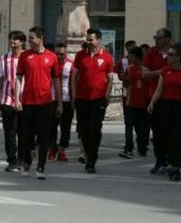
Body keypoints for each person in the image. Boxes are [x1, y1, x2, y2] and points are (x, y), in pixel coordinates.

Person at [15, 26, 62, 180]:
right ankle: (26, 163)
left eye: (31, 38)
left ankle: (41, 167)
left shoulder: (52, 57)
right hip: (28, 102)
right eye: (28, 38)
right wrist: (17, 98)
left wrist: (59, 102)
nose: (29, 41)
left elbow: (56, 81)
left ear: (40, 39)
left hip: (46, 103)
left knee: (43, 138)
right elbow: (19, 77)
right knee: (27, 137)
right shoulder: (24, 56)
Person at [147, 43, 181, 181]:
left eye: (171, 55)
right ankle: (167, 161)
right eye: (167, 54)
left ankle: (176, 167)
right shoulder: (165, 70)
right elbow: (159, 89)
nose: (167, 57)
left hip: (180, 106)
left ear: (178, 57)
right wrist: (152, 103)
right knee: (165, 136)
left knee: (177, 136)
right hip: (165, 105)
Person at [71, 29, 114, 173]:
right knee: (83, 129)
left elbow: (110, 79)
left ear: (98, 40)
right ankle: (89, 153)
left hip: (98, 99)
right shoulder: (80, 56)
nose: (88, 42)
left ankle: (91, 159)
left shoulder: (107, 58)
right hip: (82, 99)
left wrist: (106, 96)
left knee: (95, 128)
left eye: (91, 39)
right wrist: (75, 95)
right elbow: (74, 77)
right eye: (87, 39)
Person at [143, 28, 173, 174]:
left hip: (172, 98)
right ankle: (159, 160)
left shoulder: (175, 53)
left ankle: (170, 160)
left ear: (168, 39)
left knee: (170, 131)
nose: (156, 40)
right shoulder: (151, 53)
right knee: (157, 131)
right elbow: (144, 73)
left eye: (159, 38)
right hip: (154, 97)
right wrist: (161, 72)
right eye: (155, 37)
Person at [0, 30, 26, 172]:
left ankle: (22, 159)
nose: (12, 42)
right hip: (7, 99)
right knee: (9, 132)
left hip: (25, 100)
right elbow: (0, 79)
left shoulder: (27, 57)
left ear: (22, 42)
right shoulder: (4, 59)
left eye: (15, 39)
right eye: (11, 39)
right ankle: (12, 161)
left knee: (24, 132)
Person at [49, 42, 75, 162]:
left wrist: (74, 99)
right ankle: (52, 147)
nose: (59, 56)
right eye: (57, 54)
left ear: (66, 53)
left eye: (62, 54)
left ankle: (62, 149)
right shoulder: (50, 64)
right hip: (52, 99)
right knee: (51, 126)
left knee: (66, 127)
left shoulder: (71, 65)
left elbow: (75, 83)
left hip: (67, 100)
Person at [124, 47, 150, 156]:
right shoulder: (129, 69)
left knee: (142, 128)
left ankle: (142, 147)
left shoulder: (147, 70)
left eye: (131, 55)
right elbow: (126, 84)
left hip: (144, 103)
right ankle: (128, 147)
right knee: (129, 126)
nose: (129, 57)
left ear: (137, 57)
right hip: (131, 102)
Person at [118, 40, 138, 158]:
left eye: (133, 49)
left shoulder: (142, 64)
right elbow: (120, 76)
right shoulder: (124, 62)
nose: (131, 51)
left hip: (140, 96)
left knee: (140, 123)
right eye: (129, 49)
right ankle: (128, 146)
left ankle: (142, 144)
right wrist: (124, 78)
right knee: (128, 122)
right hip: (127, 94)